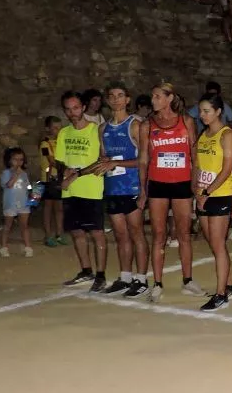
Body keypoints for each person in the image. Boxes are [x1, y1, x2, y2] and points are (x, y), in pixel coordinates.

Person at [139, 82, 204, 302]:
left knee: (183, 234)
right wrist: (143, 190)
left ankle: (188, 280)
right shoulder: (147, 125)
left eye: (157, 96)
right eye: (152, 96)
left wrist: (195, 184)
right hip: (157, 184)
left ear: (169, 98)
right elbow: (143, 159)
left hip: (182, 183)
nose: (153, 100)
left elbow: (195, 156)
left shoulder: (186, 121)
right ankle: (157, 283)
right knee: (159, 234)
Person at [99, 83, 151, 297]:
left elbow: (144, 160)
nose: (116, 99)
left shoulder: (135, 125)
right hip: (113, 188)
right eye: (111, 96)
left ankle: (142, 279)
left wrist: (143, 190)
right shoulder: (103, 128)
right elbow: (104, 159)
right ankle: (125, 277)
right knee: (120, 235)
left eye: (120, 95)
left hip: (132, 186)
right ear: (107, 100)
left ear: (128, 100)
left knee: (137, 233)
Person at [56, 91, 109, 290]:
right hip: (70, 190)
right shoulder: (64, 133)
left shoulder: (96, 130)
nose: (72, 113)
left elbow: (102, 161)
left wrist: (76, 174)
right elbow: (60, 160)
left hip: (91, 189)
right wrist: (64, 171)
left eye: (76, 108)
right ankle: (86, 271)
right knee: (77, 232)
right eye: (68, 109)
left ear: (83, 108)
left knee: (96, 233)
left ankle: (101, 276)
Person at [195, 93, 232, 310]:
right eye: (201, 111)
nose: (202, 115)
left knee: (218, 244)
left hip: (220, 194)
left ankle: (221, 294)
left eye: (207, 111)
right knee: (214, 244)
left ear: (218, 111)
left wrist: (207, 191)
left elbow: (227, 169)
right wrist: (196, 189)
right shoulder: (203, 135)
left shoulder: (227, 134)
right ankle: (231, 284)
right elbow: (198, 165)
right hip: (203, 194)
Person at [0, 147, 33, 258]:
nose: (18, 162)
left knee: (24, 226)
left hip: (23, 203)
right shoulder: (6, 173)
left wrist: (33, 190)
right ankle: (4, 247)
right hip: (10, 203)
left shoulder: (24, 174)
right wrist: (16, 175)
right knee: (7, 226)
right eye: (15, 159)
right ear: (9, 160)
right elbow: (8, 185)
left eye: (21, 160)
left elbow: (28, 186)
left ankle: (28, 247)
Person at [39, 116, 65, 247]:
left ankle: (59, 234)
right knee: (48, 208)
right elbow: (51, 160)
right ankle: (48, 235)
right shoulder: (44, 144)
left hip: (59, 179)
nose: (58, 130)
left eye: (59, 128)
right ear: (47, 128)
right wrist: (67, 167)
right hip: (49, 180)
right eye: (55, 128)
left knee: (59, 208)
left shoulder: (60, 142)